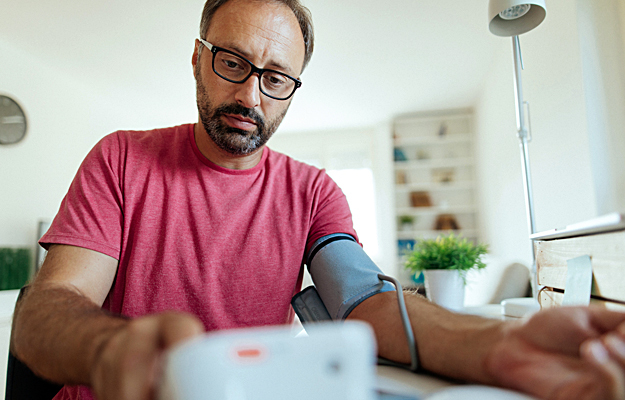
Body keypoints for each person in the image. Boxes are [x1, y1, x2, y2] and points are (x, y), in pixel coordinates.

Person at [11, 0, 625, 399]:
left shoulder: (313, 192)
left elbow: (363, 301)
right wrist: (110, 346)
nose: (251, 96)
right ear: (198, 60)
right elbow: (47, 307)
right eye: (233, 63)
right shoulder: (120, 159)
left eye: (275, 77)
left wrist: (498, 346)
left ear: (291, 90)